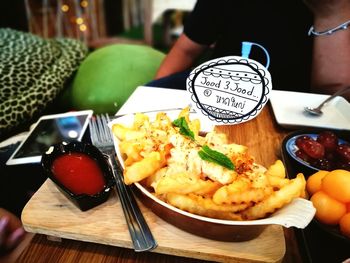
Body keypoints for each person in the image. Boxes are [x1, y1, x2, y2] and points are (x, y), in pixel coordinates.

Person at [148, 0, 350, 97]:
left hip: (294, 128)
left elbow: (335, 99)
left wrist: (331, 14)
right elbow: (185, 50)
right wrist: (149, 103)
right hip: (219, 100)